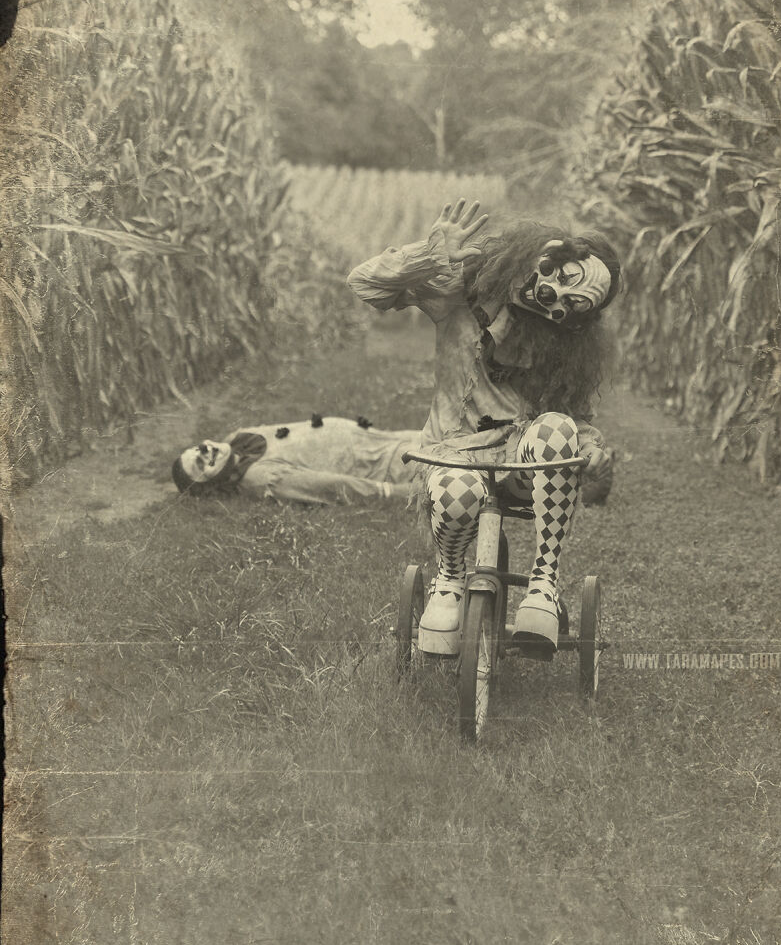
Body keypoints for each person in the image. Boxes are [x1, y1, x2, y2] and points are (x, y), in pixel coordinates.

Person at [348, 199, 620, 656]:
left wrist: (589, 446)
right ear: (544, 256)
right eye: (561, 280)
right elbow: (365, 284)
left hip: (522, 466)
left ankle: (543, 584)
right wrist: (431, 254)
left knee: (555, 428)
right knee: (458, 491)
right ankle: (449, 577)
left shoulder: (559, 346)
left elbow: (573, 418)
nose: (553, 301)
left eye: (574, 305)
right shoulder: (465, 293)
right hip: (453, 452)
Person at [171, 415, 421, 505]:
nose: (205, 451)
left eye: (198, 449)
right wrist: (396, 492)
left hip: (386, 440)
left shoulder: (239, 440)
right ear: (211, 486)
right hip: (392, 465)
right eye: (200, 465)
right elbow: (330, 486)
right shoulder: (260, 478)